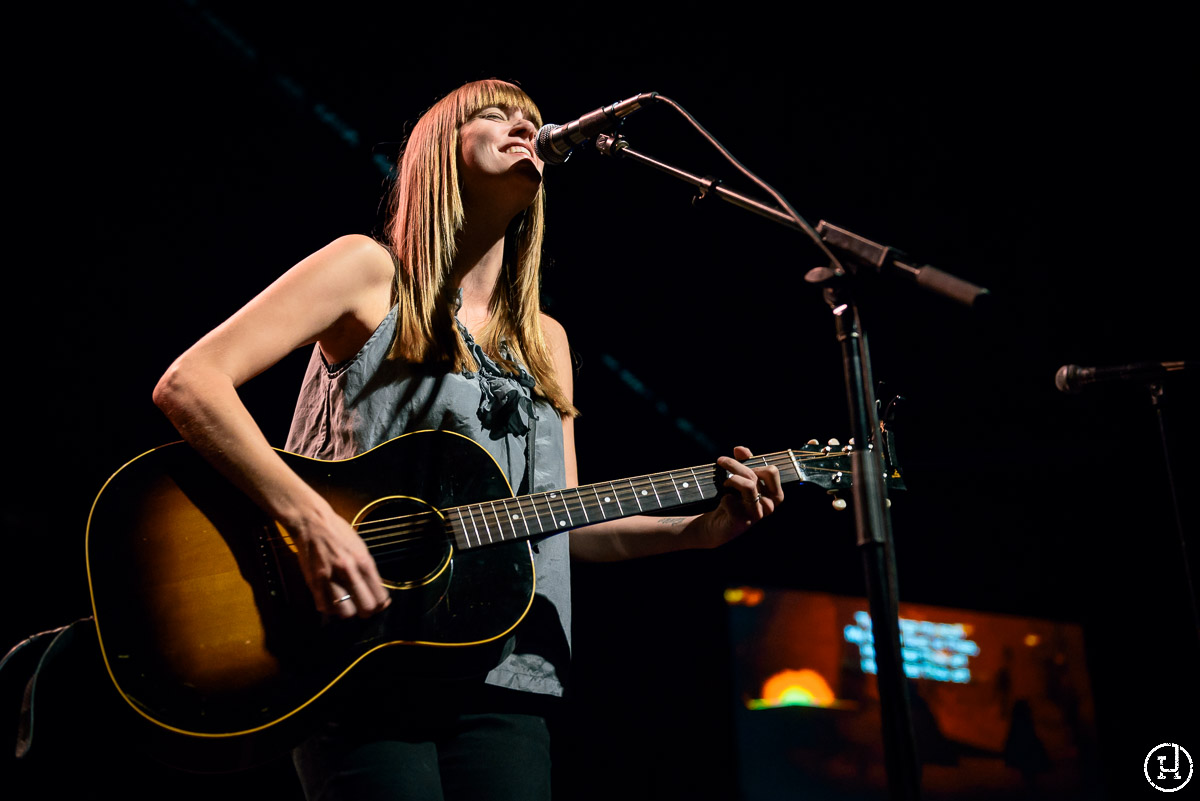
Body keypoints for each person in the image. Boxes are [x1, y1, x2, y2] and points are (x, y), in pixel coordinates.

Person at [153, 78, 785, 801]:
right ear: (437, 153)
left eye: (534, 121)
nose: (525, 128)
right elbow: (191, 382)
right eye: (497, 115)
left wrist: (699, 530)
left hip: (503, 672)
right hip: (360, 656)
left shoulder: (547, 339)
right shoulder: (365, 273)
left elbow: (564, 520)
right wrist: (311, 519)